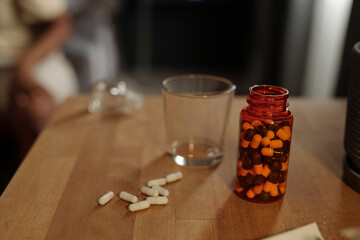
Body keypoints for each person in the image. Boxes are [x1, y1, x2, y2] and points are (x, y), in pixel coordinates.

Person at [0, 0, 78, 163]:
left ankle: (37, 181)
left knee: (35, 108)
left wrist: (23, 68)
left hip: (30, 58)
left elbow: (61, 25)